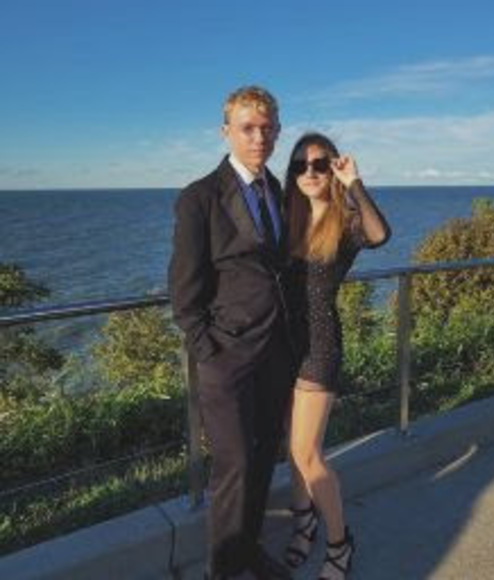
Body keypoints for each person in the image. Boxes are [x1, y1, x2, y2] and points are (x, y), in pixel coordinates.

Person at [169, 86, 295, 580]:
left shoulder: (276, 190)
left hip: (275, 351)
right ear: (226, 132)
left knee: (263, 457)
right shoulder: (200, 197)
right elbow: (184, 288)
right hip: (227, 355)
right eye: (248, 128)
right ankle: (221, 570)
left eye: (267, 128)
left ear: (277, 131)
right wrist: (209, 350)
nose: (259, 137)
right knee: (234, 464)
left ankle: (248, 550)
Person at [283, 133, 391, 579]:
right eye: (300, 165)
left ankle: (339, 543)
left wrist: (354, 182)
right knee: (292, 450)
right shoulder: (286, 218)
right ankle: (303, 522)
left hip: (319, 346)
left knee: (307, 452)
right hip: (282, 346)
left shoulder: (343, 222)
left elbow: (380, 234)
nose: (309, 172)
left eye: (319, 164)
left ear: (332, 169)